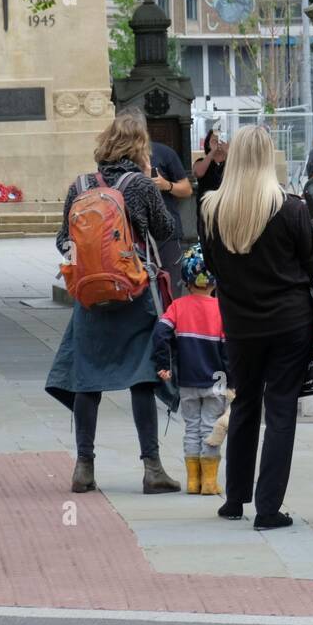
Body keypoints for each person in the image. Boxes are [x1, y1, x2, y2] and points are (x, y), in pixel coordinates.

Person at [46, 111, 182, 495]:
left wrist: (91, 261)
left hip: (90, 297)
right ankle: (152, 469)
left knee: (87, 379)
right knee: (141, 377)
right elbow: (166, 230)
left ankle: (84, 467)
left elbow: (62, 240)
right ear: (139, 145)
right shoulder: (139, 183)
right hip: (133, 292)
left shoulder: (81, 185)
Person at [199, 125, 313, 529]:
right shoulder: (291, 208)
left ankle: (234, 499)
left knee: (245, 403)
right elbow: (311, 267)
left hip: (240, 323)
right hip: (290, 322)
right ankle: (269, 509)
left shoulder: (212, 209)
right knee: (281, 408)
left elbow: (213, 269)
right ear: (269, 158)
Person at [152, 243, 230, 495]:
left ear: (186, 281)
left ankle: (192, 481)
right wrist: (234, 382)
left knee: (191, 427)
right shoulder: (222, 311)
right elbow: (228, 351)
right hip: (216, 382)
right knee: (210, 428)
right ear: (215, 282)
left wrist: (164, 364)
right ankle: (209, 482)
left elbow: (160, 333)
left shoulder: (177, 307)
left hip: (187, 380)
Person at [149, 134, 193, 296]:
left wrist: (166, 185)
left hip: (167, 236)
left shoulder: (162, 153)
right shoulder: (118, 158)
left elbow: (187, 189)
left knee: (171, 291)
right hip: (134, 237)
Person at [194, 128, 228, 209]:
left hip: (226, 205)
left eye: (221, 139)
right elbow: (198, 173)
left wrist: (228, 151)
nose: (218, 143)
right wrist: (212, 151)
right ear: (208, 144)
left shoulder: (231, 163)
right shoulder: (201, 161)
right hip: (206, 206)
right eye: (214, 140)